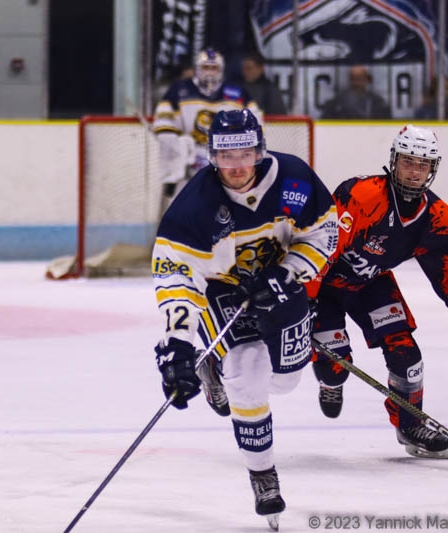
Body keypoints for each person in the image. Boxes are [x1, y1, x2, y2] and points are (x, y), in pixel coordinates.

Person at [152, 109, 337, 527]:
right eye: (225, 156)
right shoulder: (193, 208)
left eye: (245, 154)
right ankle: (263, 474)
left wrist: (286, 272)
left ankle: (215, 370)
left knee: (288, 377)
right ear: (211, 157)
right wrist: (178, 342)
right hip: (224, 291)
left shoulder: (294, 179)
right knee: (248, 370)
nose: (236, 167)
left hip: (279, 283)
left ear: (260, 151)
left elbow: (325, 232)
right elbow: (176, 276)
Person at [306, 124, 448, 460]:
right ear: (394, 160)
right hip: (324, 286)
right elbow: (320, 248)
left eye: (423, 164)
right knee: (334, 365)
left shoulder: (439, 218)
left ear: (433, 168)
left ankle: (410, 425)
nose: (414, 171)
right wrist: (303, 297)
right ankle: (330, 382)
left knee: (407, 356)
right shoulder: (361, 195)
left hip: (371, 284)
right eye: (408, 161)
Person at [153, 48, 261, 206]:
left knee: (227, 207)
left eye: (214, 68)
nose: (210, 72)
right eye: (206, 67)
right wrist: (181, 150)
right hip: (187, 162)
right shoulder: (179, 91)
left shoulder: (237, 93)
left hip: (225, 159)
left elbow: (255, 125)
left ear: (221, 70)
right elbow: (163, 125)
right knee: (179, 207)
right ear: (197, 68)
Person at [320, 65, 391, 119]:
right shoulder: (337, 103)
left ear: (367, 80)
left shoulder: (378, 102)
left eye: (360, 79)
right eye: (353, 79)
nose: (356, 83)